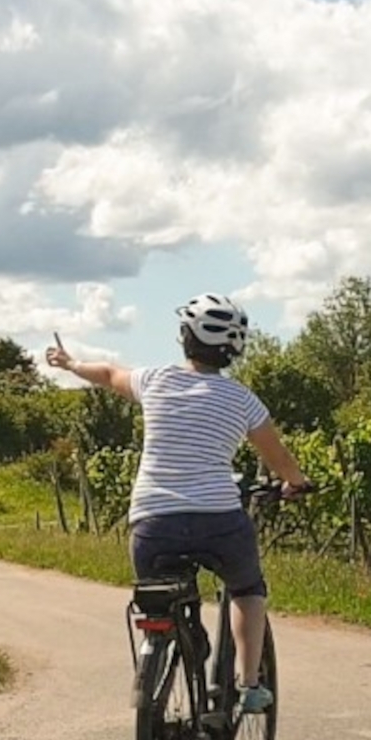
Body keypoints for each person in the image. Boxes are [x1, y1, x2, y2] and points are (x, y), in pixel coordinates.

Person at [45, 292, 311, 713]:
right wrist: (297, 483)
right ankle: (250, 684)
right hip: (219, 520)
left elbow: (109, 372)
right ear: (234, 349)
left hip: (153, 524)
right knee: (246, 589)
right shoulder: (243, 400)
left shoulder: (154, 380)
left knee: (158, 597)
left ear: (184, 337)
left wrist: (70, 363)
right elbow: (277, 458)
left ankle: (169, 644)